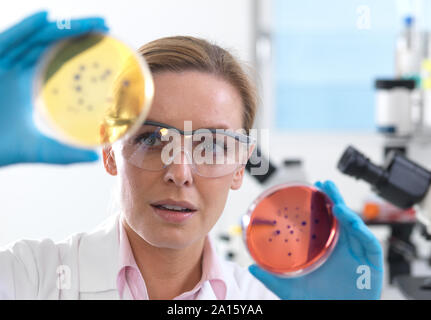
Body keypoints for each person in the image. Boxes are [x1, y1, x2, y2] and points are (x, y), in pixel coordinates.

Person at [0, 11, 384, 300]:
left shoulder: (256, 299)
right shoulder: (28, 278)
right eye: (151, 139)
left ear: (241, 164)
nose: (180, 172)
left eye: (213, 145)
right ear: (110, 151)